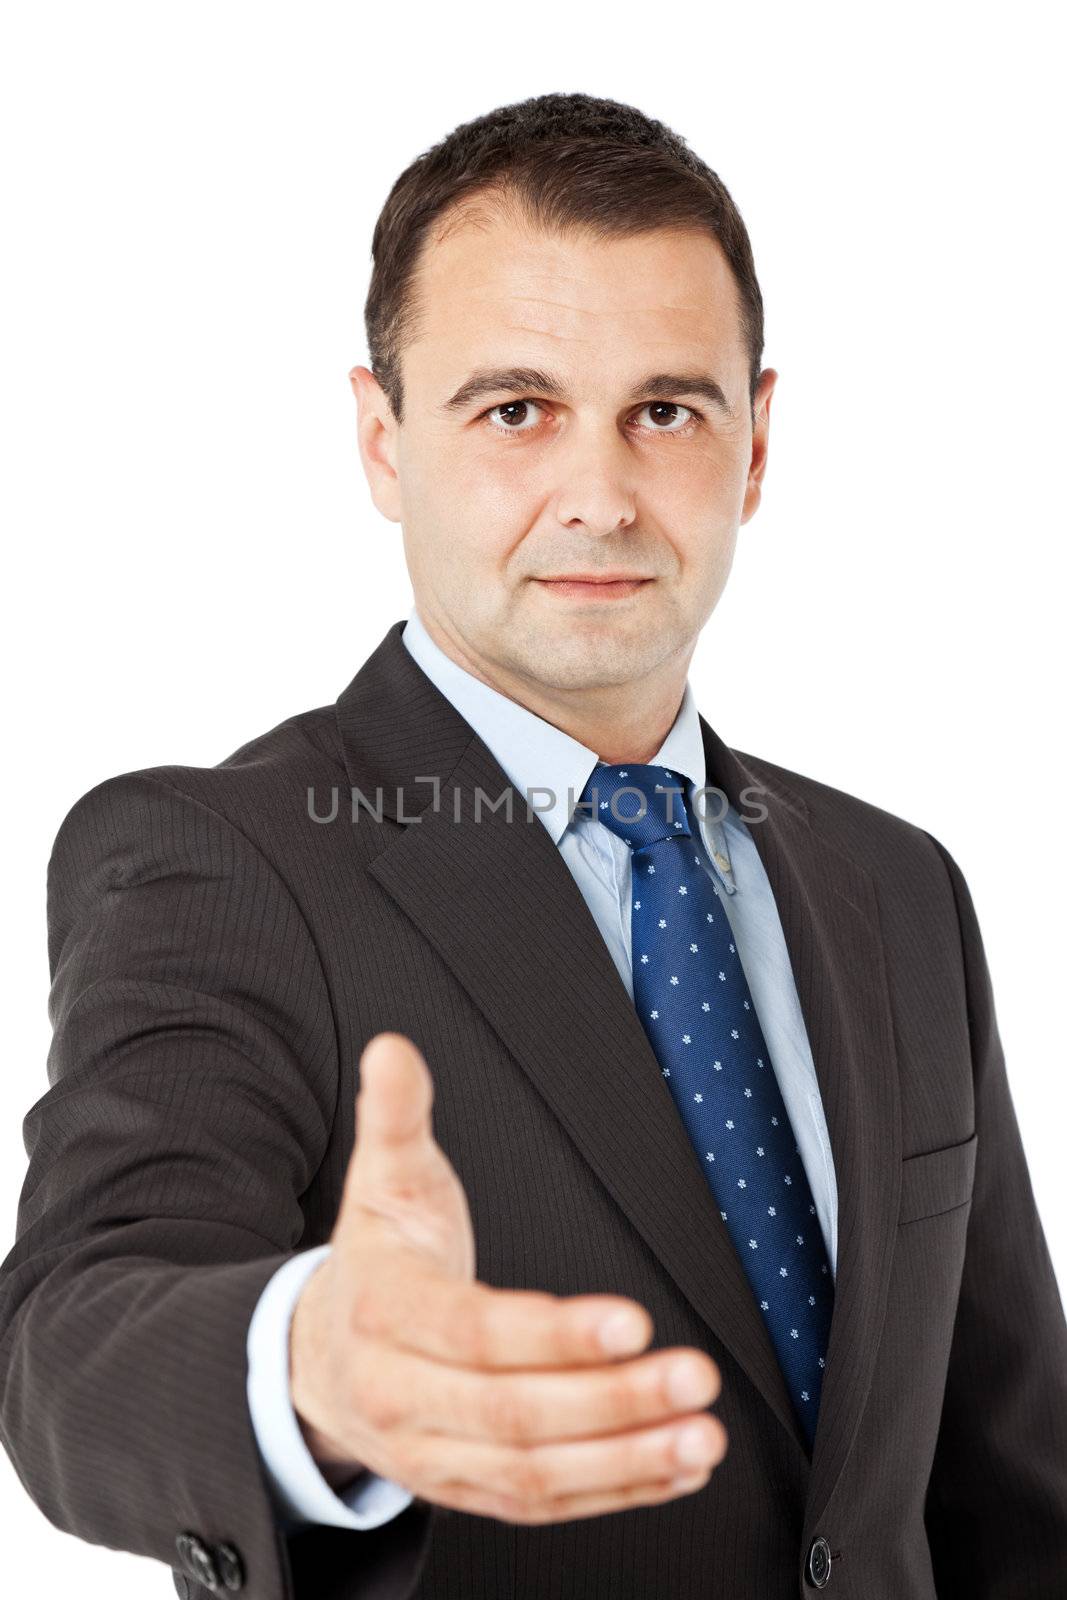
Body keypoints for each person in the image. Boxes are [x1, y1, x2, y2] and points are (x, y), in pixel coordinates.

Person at [2, 90, 1065, 1600]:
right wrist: (313, 1364)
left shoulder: (896, 886)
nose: (602, 494)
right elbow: (78, 1329)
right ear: (383, 442)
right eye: (517, 410)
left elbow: (1005, 1478)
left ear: (756, 445)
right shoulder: (218, 858)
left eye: (667, 410)